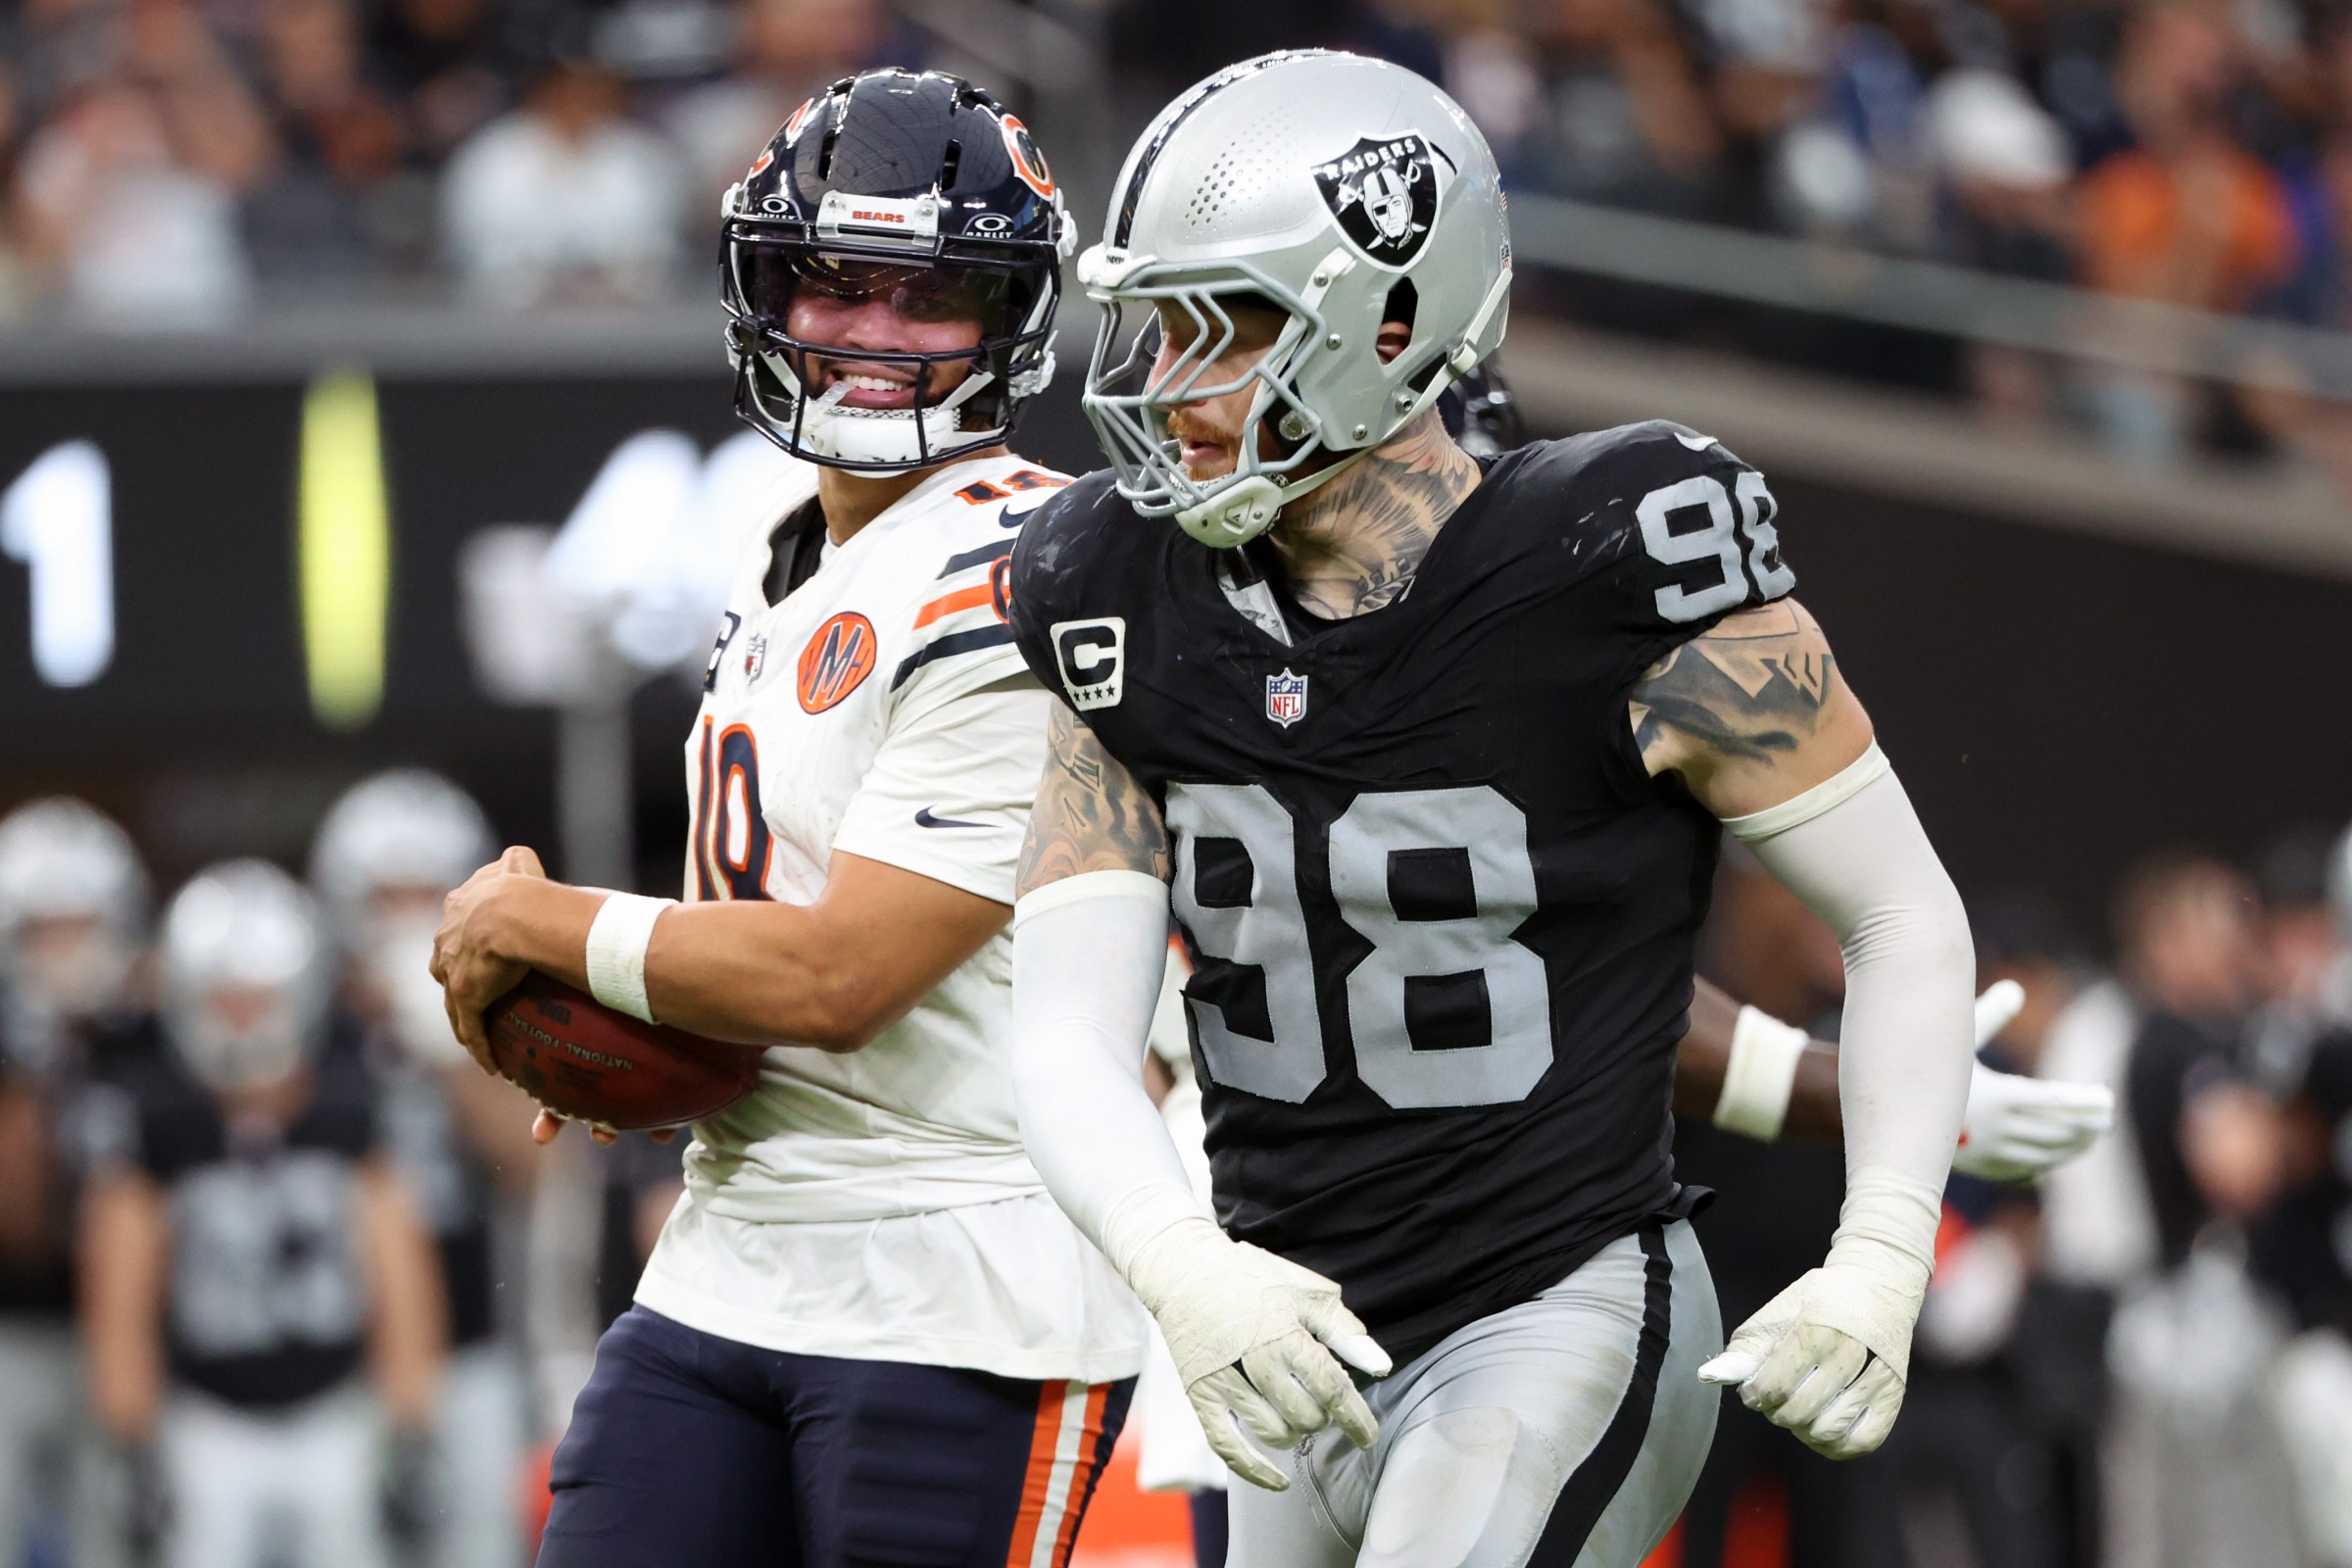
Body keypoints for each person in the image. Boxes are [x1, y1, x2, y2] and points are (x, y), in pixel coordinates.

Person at [1004, 49, 1980, 1566]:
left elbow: (1903, 913)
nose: (1162, 388)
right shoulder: (1110, 588)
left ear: (1390, 320)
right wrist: (1184, 1266)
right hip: (1294, 1336)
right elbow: (1064, 1027)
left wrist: (1887, 1246)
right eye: (1148, 329)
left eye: (1220, 330)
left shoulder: (1614, 556)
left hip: (1554, 1307)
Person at [428, 71, 1146, 1567]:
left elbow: (838, 979)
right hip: (730, 1253)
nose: (874, 337)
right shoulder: (786, 567)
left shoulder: (1030, 565)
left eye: (929, 294)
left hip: (964, 1276)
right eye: (835, 284)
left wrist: (541, 924)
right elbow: (757, 947)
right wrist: (621, 1010)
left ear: (1005, 316)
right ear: (767, 288)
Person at [78, 859, 444, 1568]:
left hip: (337, 1411)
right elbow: (120, 1285)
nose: (241, 1020)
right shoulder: (160, 1117)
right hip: (208, 1422)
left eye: (258, 998)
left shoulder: (347, 1101)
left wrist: (410, 1424)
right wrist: (133, 1437)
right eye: (223, 1000)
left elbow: (399, 1268)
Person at [313, 771, 539, 1568]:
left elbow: (535, 1166)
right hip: (335, 1349)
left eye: (425, 893)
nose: (408, 917)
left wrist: (451, 1047)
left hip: (469, 1336)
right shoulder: (309, 1024)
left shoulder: (505, 1016)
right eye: (387, 895)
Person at [0, 799, 150, 1567]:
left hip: (118, 1338)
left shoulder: (148, 1037)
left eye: (80, 925)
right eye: (42, 930)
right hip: (14, 1330)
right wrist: (36, 1073)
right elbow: (21, 1220)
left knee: (116, 1538)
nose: (63, 951)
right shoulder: (17, 1051)